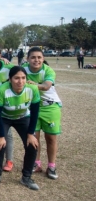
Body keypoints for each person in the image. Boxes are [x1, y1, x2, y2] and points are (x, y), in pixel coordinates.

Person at [0, 66, 40, 190]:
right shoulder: (2, 90)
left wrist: (30, 134)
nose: (20, 81)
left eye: (23, 78)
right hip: (3, 118)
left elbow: (34, 113)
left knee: (32, 145)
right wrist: (1, 136)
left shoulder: (32, 89)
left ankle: (26, 177)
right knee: (0, 145)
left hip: (22, 117)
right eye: (16, 78)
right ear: (10, 79)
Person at [23, 47, 62, 179]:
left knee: (51, 138)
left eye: (39, 57)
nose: (36, 60)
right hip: (33, 108)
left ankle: (51, 166)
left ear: (43, 59)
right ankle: (36, 163)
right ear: (27, 59)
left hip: (50, 107)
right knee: (34, 138)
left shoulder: (48, 70)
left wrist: (32, 84)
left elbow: (46, 86)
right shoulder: (24, 68)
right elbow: (14, 73)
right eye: (33, 57)